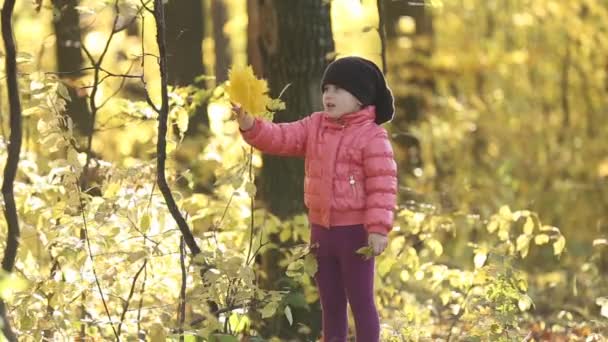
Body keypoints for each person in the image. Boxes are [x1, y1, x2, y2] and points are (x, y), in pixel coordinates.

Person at [233, 56, 397, 342]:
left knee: (360, 303)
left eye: (338, 89)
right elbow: (281, 137)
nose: (328, 95)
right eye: (326, 89)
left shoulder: (373, 137)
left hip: (355, 235)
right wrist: (250, 125)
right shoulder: (315, 125)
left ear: (361, 97)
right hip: (321, 232)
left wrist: (378, 229)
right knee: (331, 305)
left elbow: (383, 186)